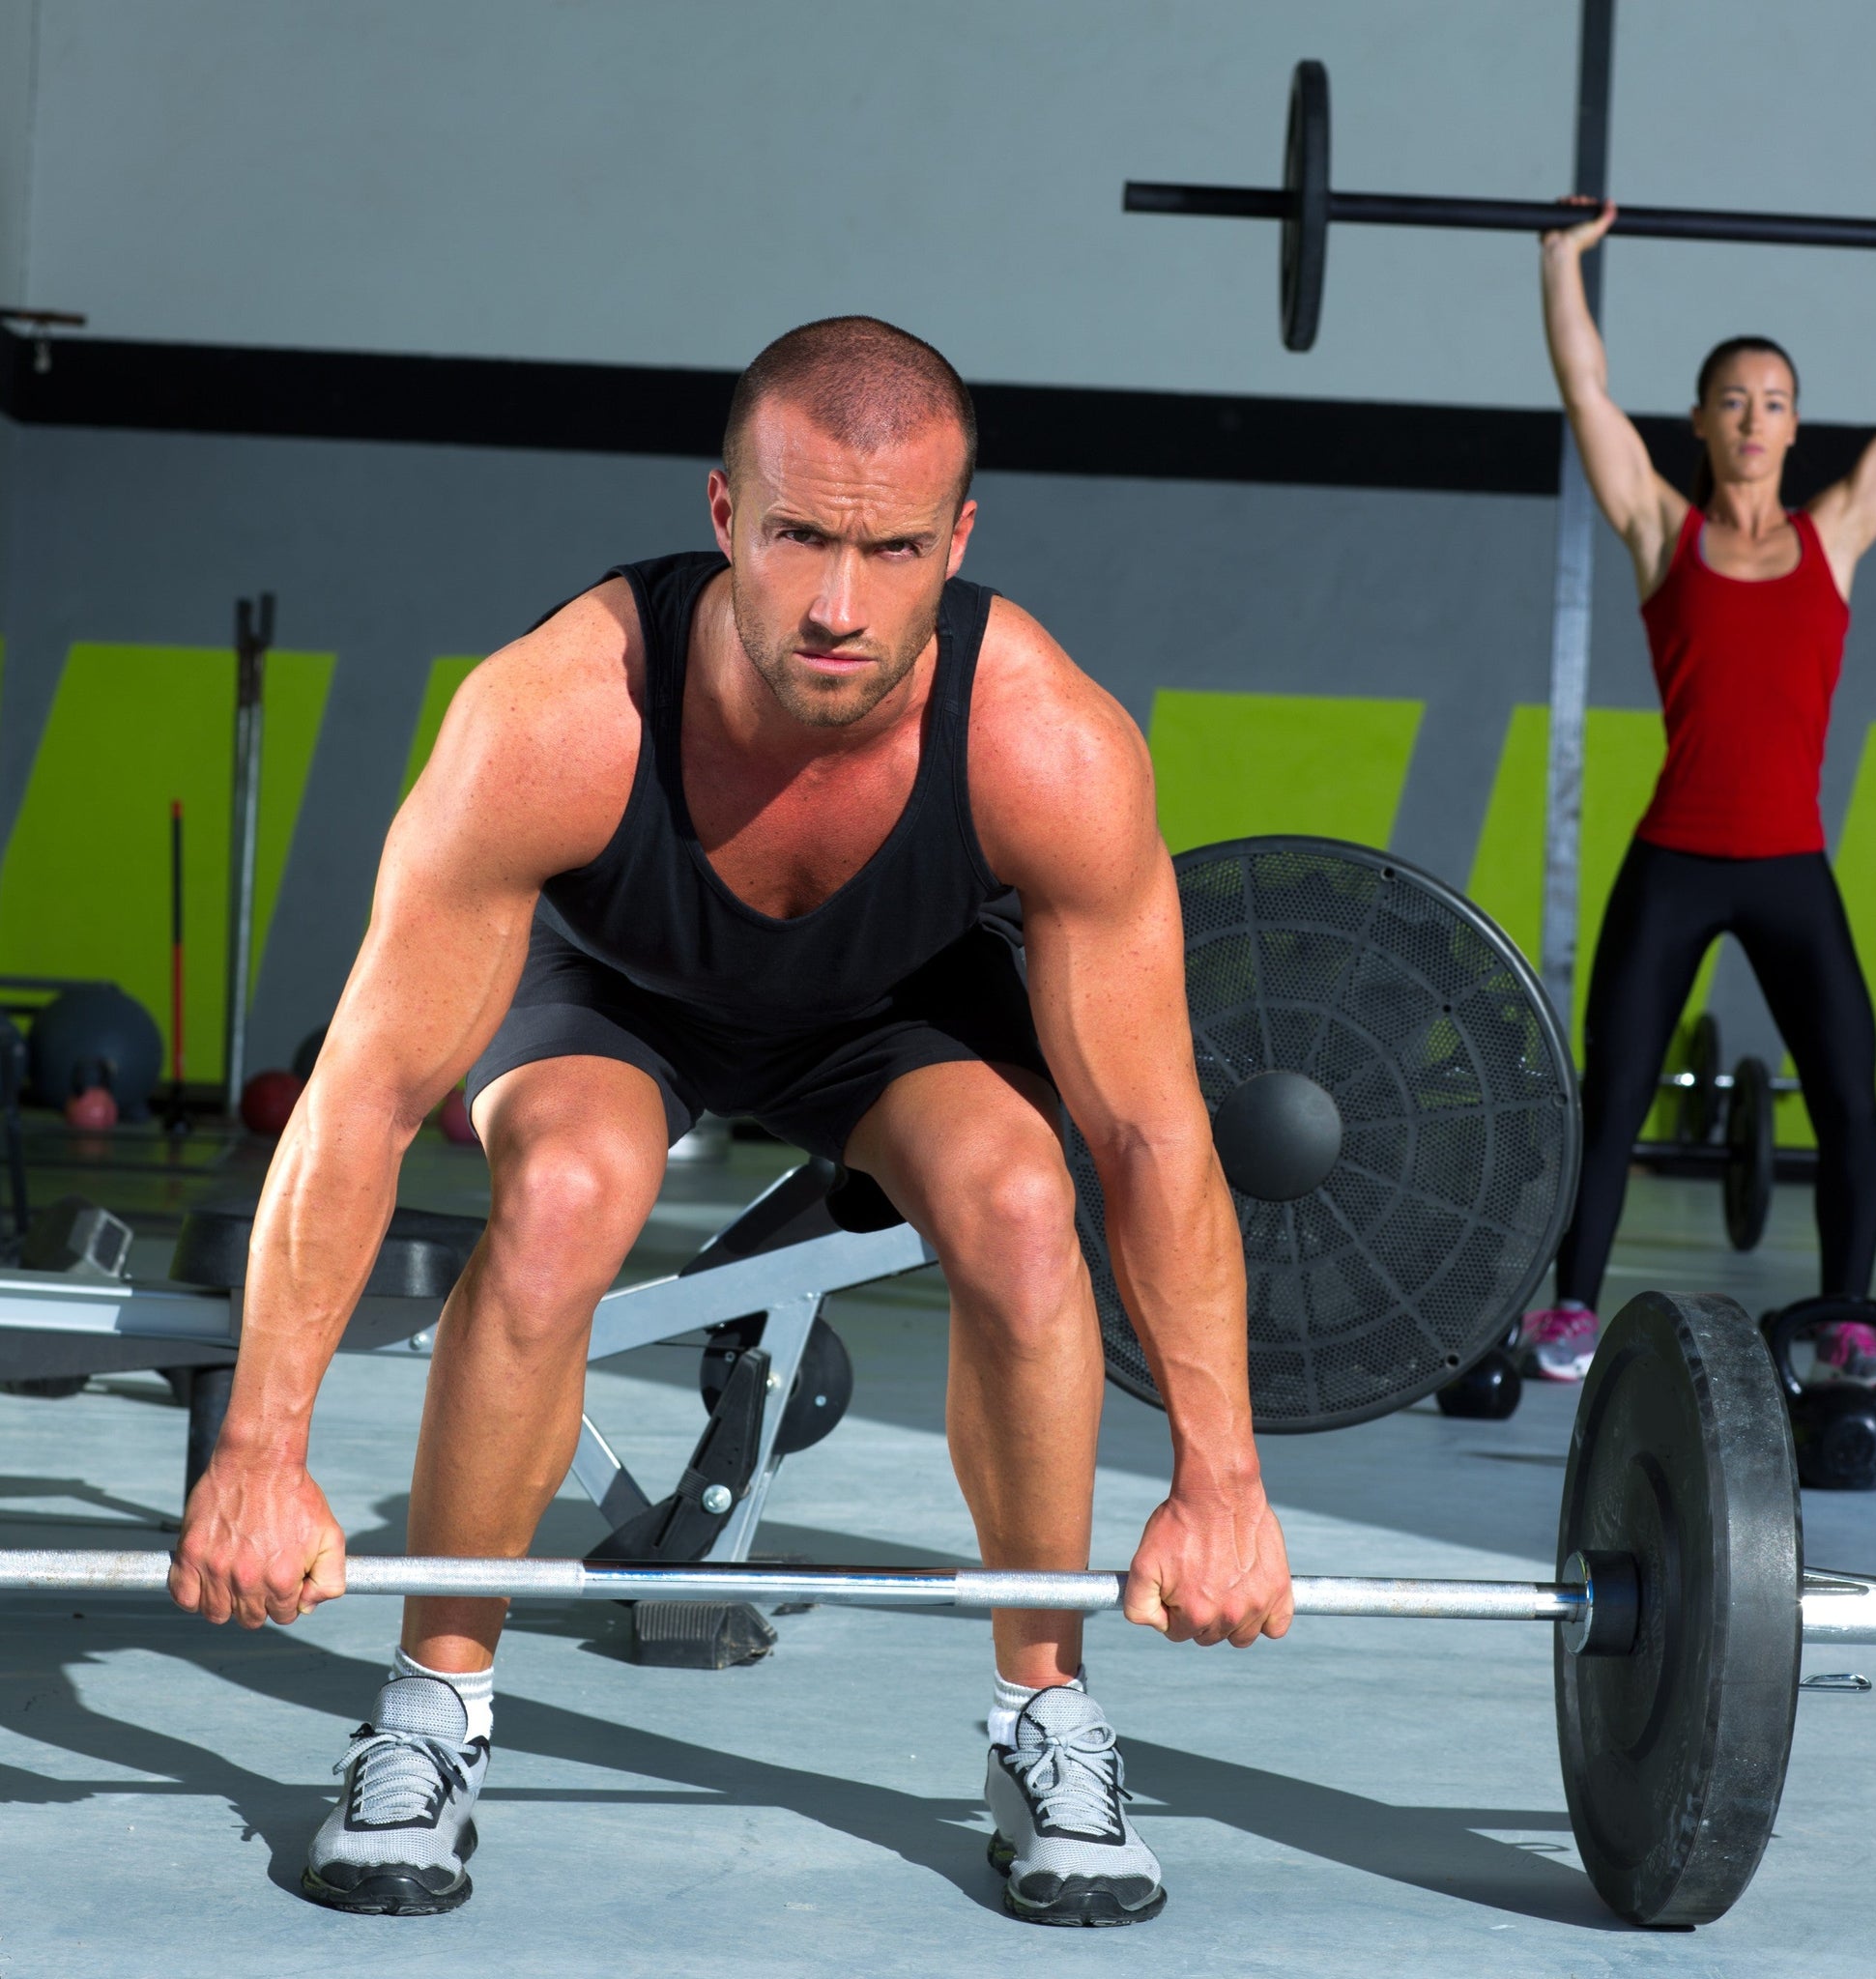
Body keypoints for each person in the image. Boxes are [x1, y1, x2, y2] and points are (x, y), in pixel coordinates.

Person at [167, 316, 1294, 1924]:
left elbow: (1152, 1135)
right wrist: (259, 1453)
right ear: (722, 515)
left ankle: (1047, 1714)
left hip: (892, 1009)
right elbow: (360, 1095)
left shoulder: (1039, 740)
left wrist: (1222, 1479)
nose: (841, 603)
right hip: (618, 988)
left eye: (892, 548)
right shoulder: (554, 718)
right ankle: (433, 1702)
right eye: (799, 538)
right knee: (560, 1194)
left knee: (1025, 1203)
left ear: (957, 540)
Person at [1519, 202, 1876, 1382]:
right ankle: (1569, 1311)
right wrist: (1561, 260)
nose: (1753, 418)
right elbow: (1584, 393)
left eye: (1772, 400)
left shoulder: (1834, 537)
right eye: (1731, 399)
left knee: (1846, 1095)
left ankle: (1849, 1317)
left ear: (1793, 424)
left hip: (1785, 861)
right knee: (1610, 1090)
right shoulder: (1659, 530)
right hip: (1674, 852)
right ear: (1700, 423)